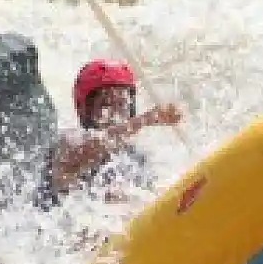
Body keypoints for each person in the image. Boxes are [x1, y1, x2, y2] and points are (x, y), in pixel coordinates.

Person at [35, 58, 184, 212]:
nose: (115, 113)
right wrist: (146, 120)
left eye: (122, 104)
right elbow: (89, 146)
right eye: (106, 104)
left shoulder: (134, 157)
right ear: (86, 110)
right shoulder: (69, 143)